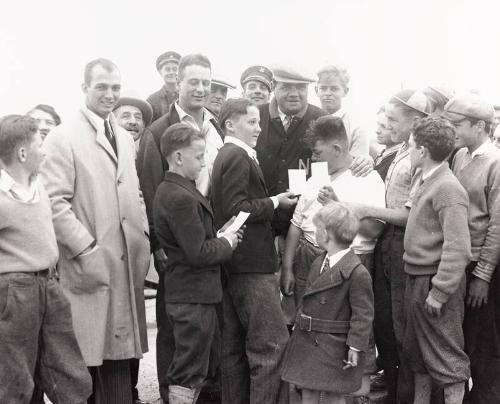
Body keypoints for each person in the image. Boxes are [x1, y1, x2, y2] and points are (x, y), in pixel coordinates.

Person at [40, 58, 150, 404]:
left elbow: (135, 194)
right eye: (101, 87)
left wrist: (142, 237)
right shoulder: (62, 137)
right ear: (84, 87)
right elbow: (54, 202)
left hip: (125, 267)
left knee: (121, 365)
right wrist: (86, 250)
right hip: (87, 267)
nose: (109, 94)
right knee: (84, 365)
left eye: (115, 88)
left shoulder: (123, 136)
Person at [136, 53, 224, 402]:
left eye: (206, 82)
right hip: (178, 250)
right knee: (177, 334)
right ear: (178, 84)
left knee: (207, 335)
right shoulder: (159, 130)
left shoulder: (217, 128)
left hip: (213, 246)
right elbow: (150, 189)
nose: (201, 88)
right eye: (194, 82)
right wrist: (158, 246)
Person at [280, 115, 384, 403]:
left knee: (344, 331)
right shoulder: (317, 177)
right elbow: (297, 224)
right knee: (310, 330)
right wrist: (287, 266)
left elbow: (374, 229)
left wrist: (338, 205)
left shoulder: (367, 177)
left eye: (317, 152)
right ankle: (310, 391)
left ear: (337, 148)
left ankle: (345, 395)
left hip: (352, 262)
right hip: (311, 259)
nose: (313, 158)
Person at [343, 89, 431, 404]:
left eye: (395, 120)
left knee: (400, 326)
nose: (389, 125)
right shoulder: (399, 152)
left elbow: (410, 216)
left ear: (417, 121)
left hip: (402, 244)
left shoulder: (421, 157)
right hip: (387, 244)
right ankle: (394, 391)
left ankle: (403, 395)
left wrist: (365, 210)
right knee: (385, 324)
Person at [0, 115, 92, 404]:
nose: (46, 151)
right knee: (15, 374)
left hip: (49, 284)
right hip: (15, 290)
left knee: (68, 369)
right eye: (41, 144)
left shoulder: (38, 184)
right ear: (22, 153)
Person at [211, 98, 298, 404]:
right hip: (252, 266)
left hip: (235, 263)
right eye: (251, 122)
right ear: (230, 125)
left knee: (234, 349)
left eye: (259, 122)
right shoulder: (237, 155)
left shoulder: (228, 154)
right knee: (271, 346)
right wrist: (275, 202)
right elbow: (238, 208)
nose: (259, 128)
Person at [154, 123, 242, 404]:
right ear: (178, 157)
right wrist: (228, 243)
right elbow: (198, 253)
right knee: (189, 369)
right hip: (193, 297)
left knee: (196, 365)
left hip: (192, 295)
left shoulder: (174, 189)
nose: (204, 162)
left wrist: (219, 234)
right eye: (199, 156)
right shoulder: (179, 196)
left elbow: (193, 242)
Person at [403, 117, 471, 404]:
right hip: (416, 279)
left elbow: (459, 247)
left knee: (448, 360)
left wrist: (440, 291)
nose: (408, 150)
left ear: (423, 150)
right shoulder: (426, 180)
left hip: (434, 284)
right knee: (418, 356)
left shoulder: (447, 187)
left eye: (410, 145)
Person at [282, 202, 374, 404]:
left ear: (326, 234)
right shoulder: (319, 262)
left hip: (336, 345)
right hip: (310, 340)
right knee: (308, 392)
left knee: (334, 395)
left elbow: (363, 315)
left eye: (317, 229)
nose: (315, 233)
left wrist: (355, 347)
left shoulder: (357, 273)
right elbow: (308, 299)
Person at [442, 94, 500, 403]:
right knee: (460, 340)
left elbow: (497, 226)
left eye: (458, 124)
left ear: (480, 126)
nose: (452, 130)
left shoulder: (496, 163)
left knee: (485, 345)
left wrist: (484, 275)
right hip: (458, 263)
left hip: (480, 267)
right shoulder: (459, 155)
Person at [315, 65, 370, 157]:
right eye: (323, 88)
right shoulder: (308, 120)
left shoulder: (356, 127)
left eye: (334, 89)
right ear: (316, 91)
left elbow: (357, 163)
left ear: (345, 91)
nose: (328, 93)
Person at [147, 51, 181, 122]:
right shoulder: (152, 100)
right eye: (167, 69)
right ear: (160, 72)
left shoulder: (187, 95)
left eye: (175, 69)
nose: (171, 72)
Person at [373, 106, 402, 181]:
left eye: (383, 126)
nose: (377, 131)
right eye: (378, 124)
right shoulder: (384, 153)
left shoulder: (395, 160)